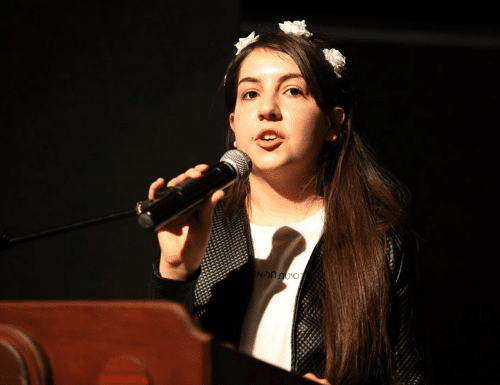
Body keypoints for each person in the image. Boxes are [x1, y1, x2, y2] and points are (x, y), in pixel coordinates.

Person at [149, 20, 424, 385]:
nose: (268, 109)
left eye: (292, 91)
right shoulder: (204, 227)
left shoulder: (379, 240)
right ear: (234, 125)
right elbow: (157, 367)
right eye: (250, 94)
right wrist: (176, 273)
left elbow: (407, 377)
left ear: (332, 123)